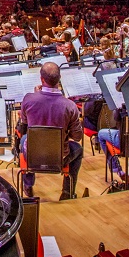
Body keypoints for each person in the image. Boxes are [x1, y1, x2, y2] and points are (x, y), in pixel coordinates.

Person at [17, 62, 83, 200]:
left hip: (32, 156)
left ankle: (28, 185)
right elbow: (77, 137)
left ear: (42, 79)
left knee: (24, 139)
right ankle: (67, 192)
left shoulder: (28, 99)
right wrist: (65, 132)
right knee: (78, 149)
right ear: (59, 79)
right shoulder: (70, 106)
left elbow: (23, 127)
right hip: (59, 158)